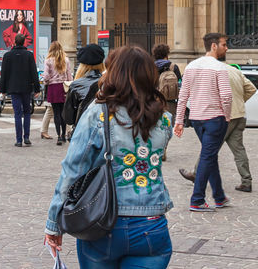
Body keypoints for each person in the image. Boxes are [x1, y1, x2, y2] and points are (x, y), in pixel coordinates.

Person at [44, 46, 175, 268]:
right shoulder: (163, 118)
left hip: (104, 222)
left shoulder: (99, 112)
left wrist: (54, 223)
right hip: (151, 223)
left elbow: (73, 169)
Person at [180, 45, 255, 192]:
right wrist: (239, 101)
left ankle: (196, 174)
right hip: (239, 115)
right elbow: (251, 88)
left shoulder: (214, 72)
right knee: (238, 150)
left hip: (223, 117)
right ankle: (246, 181)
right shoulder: (235, 71)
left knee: (209, 148)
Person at [174, 32, 234, 212]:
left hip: (196, 120)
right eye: (224, 44)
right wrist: (227, 115)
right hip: (215, 118)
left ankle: (219, 196)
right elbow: (226, 95)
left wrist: (178, 120)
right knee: (208, 157)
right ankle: (197, 199)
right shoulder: (219, 68)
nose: (226, 48)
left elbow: (183, 96)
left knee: (210, 156)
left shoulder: (191, 66)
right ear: (214, 46)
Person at [0, 33, 41, 147]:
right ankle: (26, 137)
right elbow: (34, 73)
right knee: (27, 112)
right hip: (26, 88)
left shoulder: (8, 56)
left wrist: (3, 89)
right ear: (24, 42)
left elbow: (4, 74)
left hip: (13, 88)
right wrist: (37, 88)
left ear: (14, 42)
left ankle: (18, 140)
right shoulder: (28, 55)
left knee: (17, 114)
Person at [64, 44, 105, 128]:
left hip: (82, 133)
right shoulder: (109, 83)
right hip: (104, 133)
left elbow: (68, 119)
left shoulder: (76, 85)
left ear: (82, 65)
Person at [42, 41, 73, 144]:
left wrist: (46, 81)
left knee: (56, 113)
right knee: (63, 112)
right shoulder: (66, 60)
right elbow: (69, 76)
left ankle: (59, 136)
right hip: (63, 87)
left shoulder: (48, 61)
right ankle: (64, 135)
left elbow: (46, 76)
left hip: (53, 88)